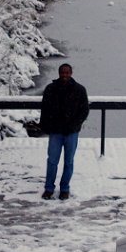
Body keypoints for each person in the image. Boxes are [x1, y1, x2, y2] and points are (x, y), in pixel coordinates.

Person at [38, 63, 89, 200]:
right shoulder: (51, 89)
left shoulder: (79, 90)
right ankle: (49, 188)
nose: (65, 75)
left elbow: (84, 111)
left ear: (71, 73)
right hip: (56, 132)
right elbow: (45, 109)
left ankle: (64, 189)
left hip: (71, 132)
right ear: (59, 73)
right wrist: (45, 126)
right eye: (62, 73)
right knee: (52, 161)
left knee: (68, 161)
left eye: (67, 73)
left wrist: (75, 125)